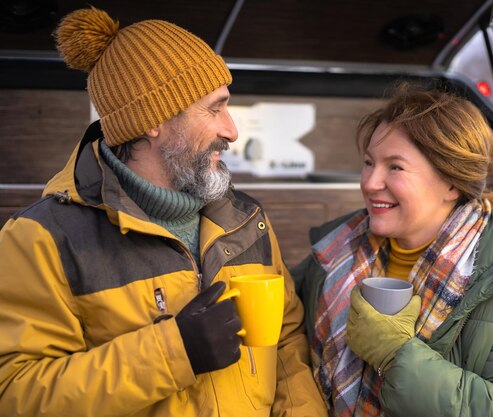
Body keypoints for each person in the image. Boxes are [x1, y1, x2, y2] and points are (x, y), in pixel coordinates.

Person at [0, 7, 326, 417]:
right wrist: (176, 351)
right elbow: (15, 395)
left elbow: (286, 342)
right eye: (214, 108)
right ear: (153, 119)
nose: (231, 130)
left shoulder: (244, 218)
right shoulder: (43, 238)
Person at [292, 85, 493, 417]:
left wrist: (397, 354)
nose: (370, 182)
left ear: (452, 182)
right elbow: (286, 337)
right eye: (369, 163)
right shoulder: (332, 254)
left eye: (395, 167)